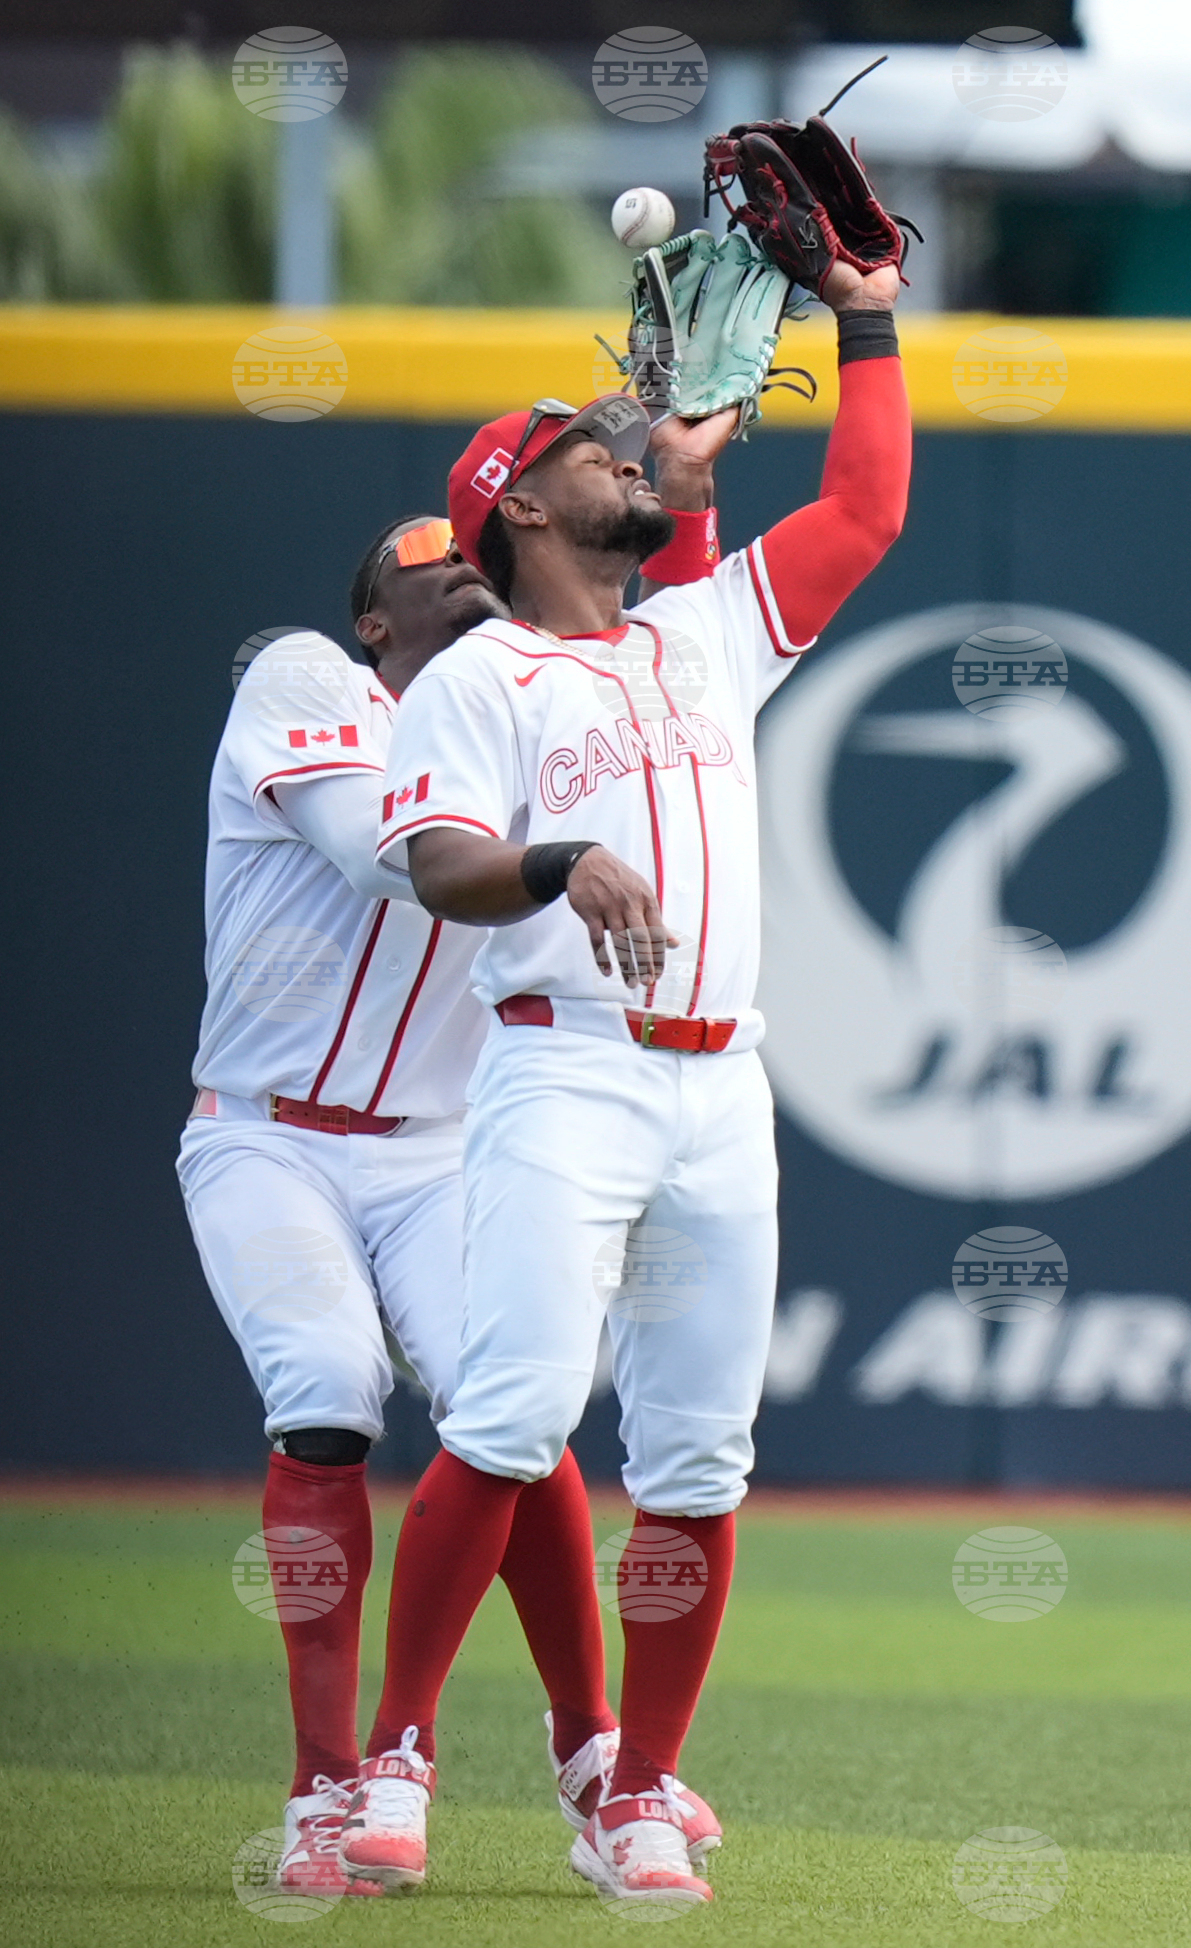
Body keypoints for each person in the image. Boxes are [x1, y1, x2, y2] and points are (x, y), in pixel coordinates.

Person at [340, 255, 910, 1908]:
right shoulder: (479, 678)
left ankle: (638, 1792)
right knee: (512, 1417)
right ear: (517, 505)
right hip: (566, 1072)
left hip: (721, 1089)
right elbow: (437, 858)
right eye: (592, 445)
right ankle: (398, 1758)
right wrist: (556, 858)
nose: (625, 450)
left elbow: (865, 506)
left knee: (701, 1461)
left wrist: (864, 309)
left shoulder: (702, 633)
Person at [177, 490, 719, 1898]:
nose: (464, 573)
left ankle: (595, 1748)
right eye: (430, 562)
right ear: (375, 616)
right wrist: (550, 850)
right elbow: (396, 858)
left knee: (510, 1401)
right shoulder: (309, 677)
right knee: (324, 1388)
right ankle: (323, 1784)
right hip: (270, 1135)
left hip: (436, 1143)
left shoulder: (528, 708)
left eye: (479, 556)